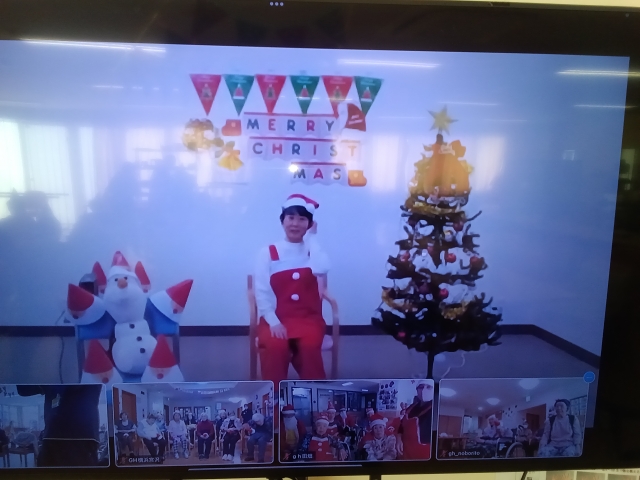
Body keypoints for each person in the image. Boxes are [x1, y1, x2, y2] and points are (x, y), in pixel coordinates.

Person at [255, 194, 336, 388]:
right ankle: (273, 396)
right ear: (282, 221)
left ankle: (316, 395)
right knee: (275, 345)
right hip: (275, 318)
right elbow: (261, 291)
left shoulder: (312, 250)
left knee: (308, 347)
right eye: (290, 218)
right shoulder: (268, 252)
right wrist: (274, 322)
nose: (295, 224)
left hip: (309, 319)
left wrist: (313, 238)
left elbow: (322, 268)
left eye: (302, 219)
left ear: (309, 224)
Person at [16, 385, 102, 467]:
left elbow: (23, 389)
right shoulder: (51, 378)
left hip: (71, 437)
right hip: (64, 436)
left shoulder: (51, 379)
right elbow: (23, 389)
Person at [397, 382, 433, 460]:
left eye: (428, 387)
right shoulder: (411, 407)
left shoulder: (435, 409)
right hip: (405, 451)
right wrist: (399, 438)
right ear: (417, 390)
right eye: (421, 387)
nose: (423, 390)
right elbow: (401, 424)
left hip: (423, 454)